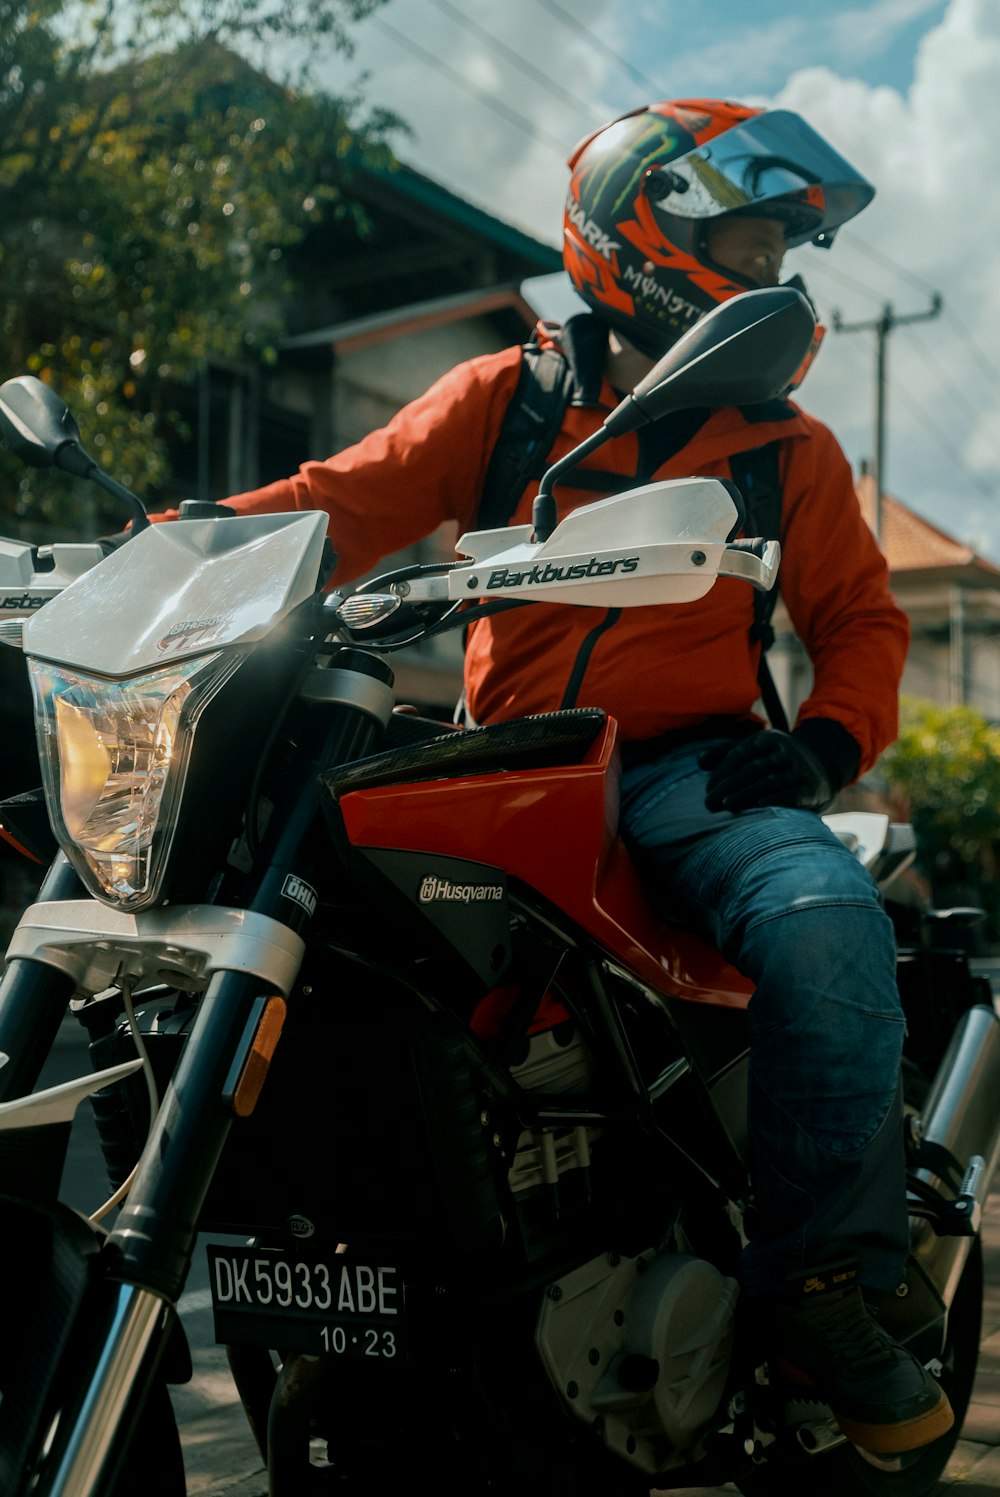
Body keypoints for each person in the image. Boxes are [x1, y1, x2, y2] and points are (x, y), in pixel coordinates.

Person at [192, 100, 952, 1454]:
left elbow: (867, 627)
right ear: (645, 225)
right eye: (751, 236)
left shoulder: (787, 451)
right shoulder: (511, 398)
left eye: (785, 245)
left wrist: (826, 747)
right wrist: (168, 543)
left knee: (830, 923)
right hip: (505, 773)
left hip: (695, 778)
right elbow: (336, 500)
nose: (777, 267)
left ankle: (818, 1284)